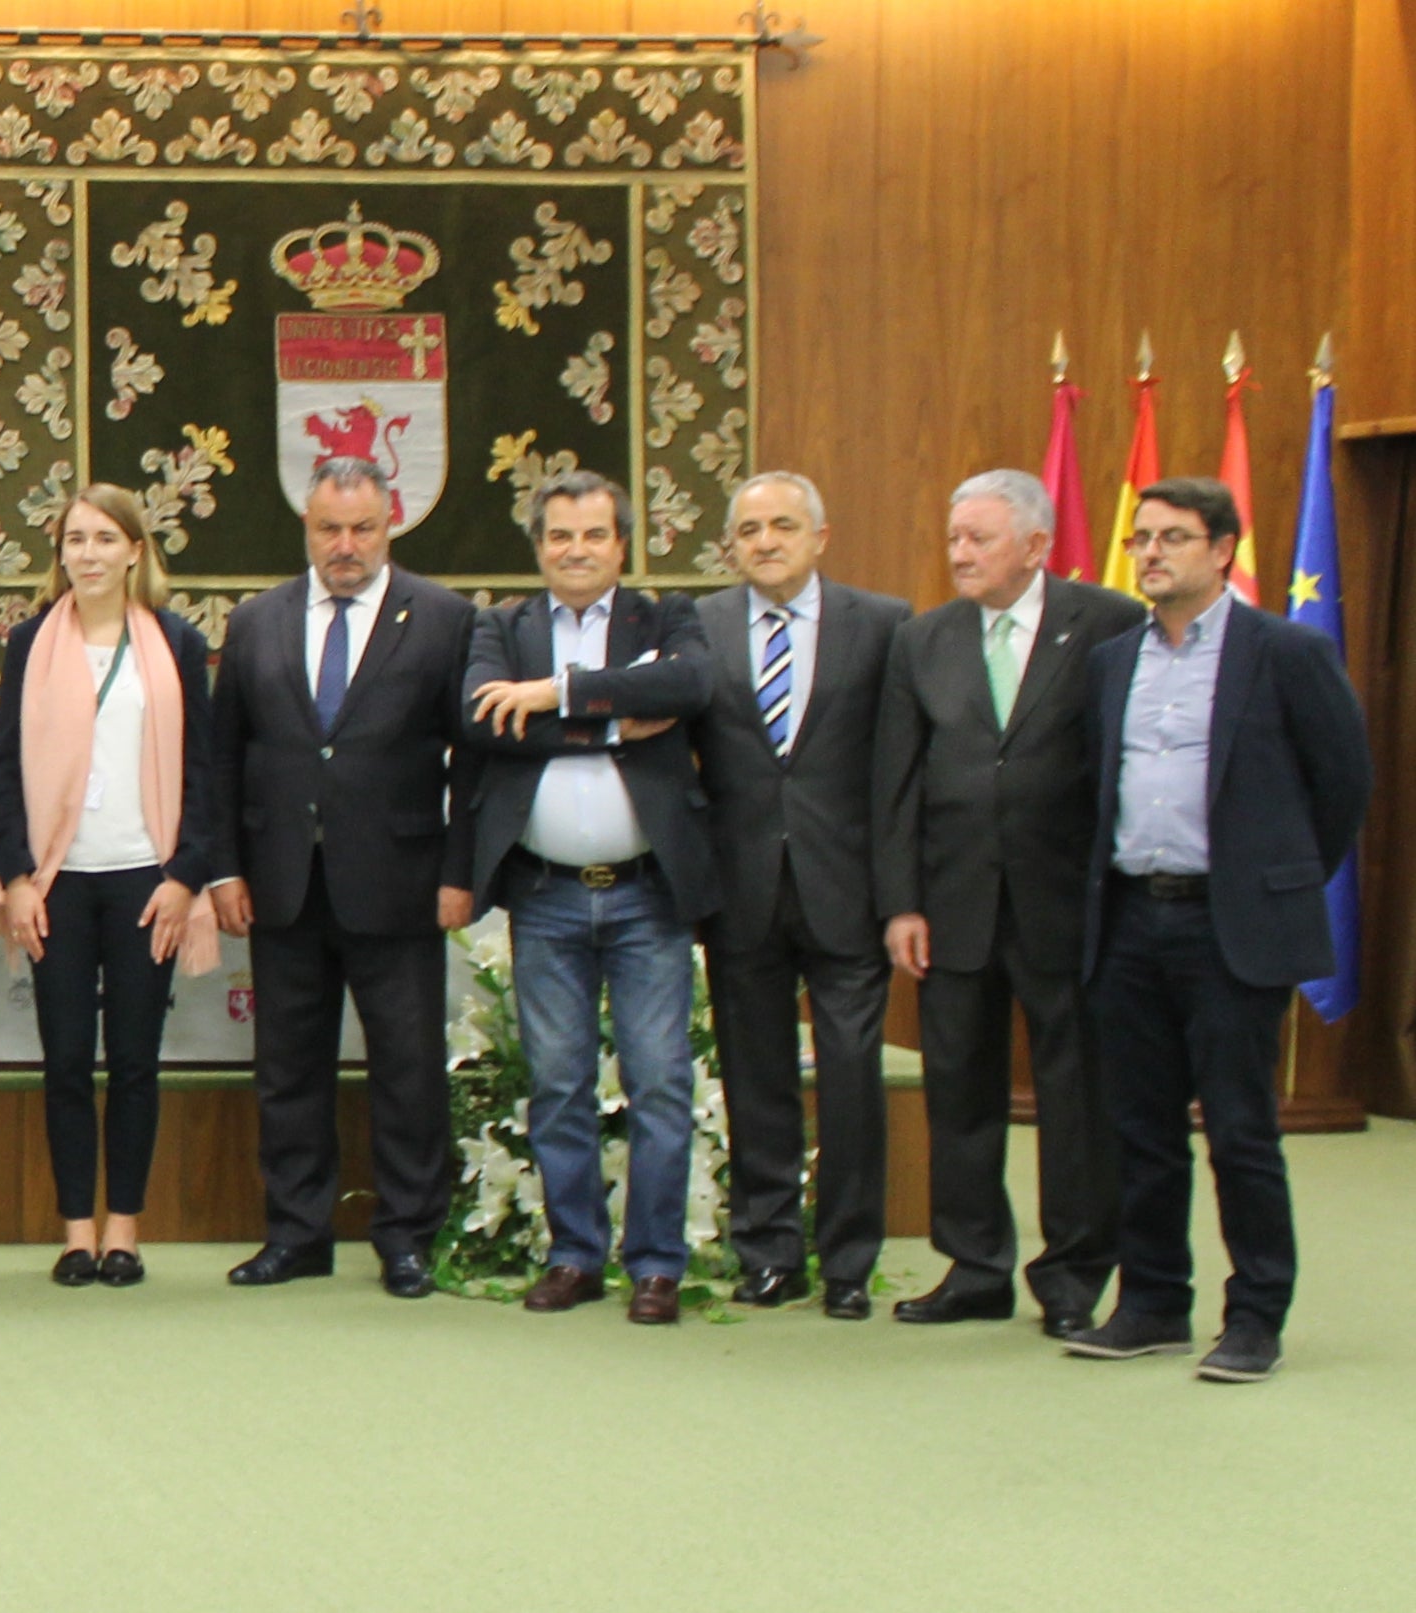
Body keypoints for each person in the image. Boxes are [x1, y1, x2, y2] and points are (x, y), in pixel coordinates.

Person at [1060, 477, 1368, 1384]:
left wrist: (1272, 878)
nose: (1149, 553)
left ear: (1222, 548)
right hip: (1127, 918)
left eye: (1172, 538)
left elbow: (1341, 783)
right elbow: (1094, 782)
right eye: (1141, 539)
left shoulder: (1284, 652)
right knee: (1140, 1127)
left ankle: (1255, 1315)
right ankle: (1152, 1301)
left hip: (1229, 926)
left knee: (1239, 1129)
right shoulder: (1113, 660)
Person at [876, 470, 1146, 1337]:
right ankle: (975, 1264)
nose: (959, 553)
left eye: (978, 539)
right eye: (953, 538)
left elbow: (1124, 764)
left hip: (1066, 903)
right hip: (951, 904)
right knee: (959, 1088)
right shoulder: (923, 640)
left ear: (1035, 545)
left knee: (1074, 1096)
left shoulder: (1106, 623)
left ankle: (1070, 1275)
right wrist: (901, 902)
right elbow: (895, 783)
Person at [201, 455, 477, 1299]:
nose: (345, 545)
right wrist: (223, 869)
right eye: (329, 528)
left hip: (398, 881)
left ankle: (404, 1237)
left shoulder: (441, 618)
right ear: (307, 528)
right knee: (287, 1068)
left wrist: (459, 871)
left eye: (361, 528)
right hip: (282, 882)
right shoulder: (256, 621)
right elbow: (221, 756)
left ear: (388, 525)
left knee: (406, 1066)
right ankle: (295, 1233)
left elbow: (472, 763)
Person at [460, 470, 716, 1325]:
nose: (576, 550)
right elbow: (478, 717)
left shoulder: (665, 620)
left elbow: (686, 688)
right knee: (559, 1082)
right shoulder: (502, 626)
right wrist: (610, 714)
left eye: (593, 535)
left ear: (620, 543)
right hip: (546, 898)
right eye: (559, 536)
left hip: (647, 898)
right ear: (538, 547)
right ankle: (573, 1253)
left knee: (658, 1083)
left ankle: (654, 1264)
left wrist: (552, 696)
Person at [0, 485, 220, 1289]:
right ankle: (75, 1232)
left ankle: (124, 1229)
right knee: (63, 1063)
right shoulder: (28, 645)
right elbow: (6, 771)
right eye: (72, 540)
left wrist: (186, 876)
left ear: (133, 551)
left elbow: (203, 771)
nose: (85, 553)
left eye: (101, 538)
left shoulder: (177, 644)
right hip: (56, 882)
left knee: (133, 1063)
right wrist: (15, 876)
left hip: (144, 882)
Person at [690, 471, 909, 1319]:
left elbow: (899, 770)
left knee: (852, 1076)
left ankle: (848, 1259)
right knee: (755, 1078)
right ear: (731, 545)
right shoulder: (700, 626)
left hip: (846, 887)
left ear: (820, 536)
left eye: (782, 525)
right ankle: (769, 1250)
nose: (765, 541)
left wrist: (898, 894)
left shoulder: (882, 625)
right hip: (740, 888)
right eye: (748, 530)